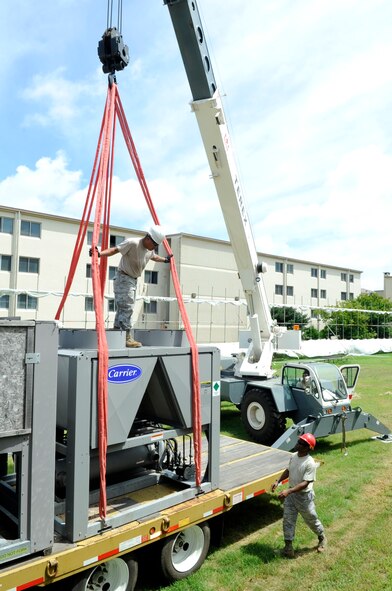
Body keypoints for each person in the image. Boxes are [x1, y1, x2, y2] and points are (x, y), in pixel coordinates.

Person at [90, 225, 173, 347]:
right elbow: (115, 250)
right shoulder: (133, 243)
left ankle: (118, 333)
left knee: (123, 308)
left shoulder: (149, 250)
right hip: (124, 278)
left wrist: (165, 260)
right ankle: (126, 337)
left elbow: (153, 257)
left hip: (133, 280)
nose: (154, 247)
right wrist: (99, 254)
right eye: (154, 244)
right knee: (127, 308)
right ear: (148, 238)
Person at [271, 433, 326, 558]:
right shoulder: (293, 456)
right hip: (291, 495)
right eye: (299, 441)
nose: (298, 444)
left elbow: (305, 483)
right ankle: (288, 548)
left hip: (304, 497)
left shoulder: (310, 463)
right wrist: (278, 481)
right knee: (288, 520)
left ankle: (322, 537)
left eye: (302, 443)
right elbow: (288, 470)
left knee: (311, 519)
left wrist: (288, 492)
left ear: (308, 448)